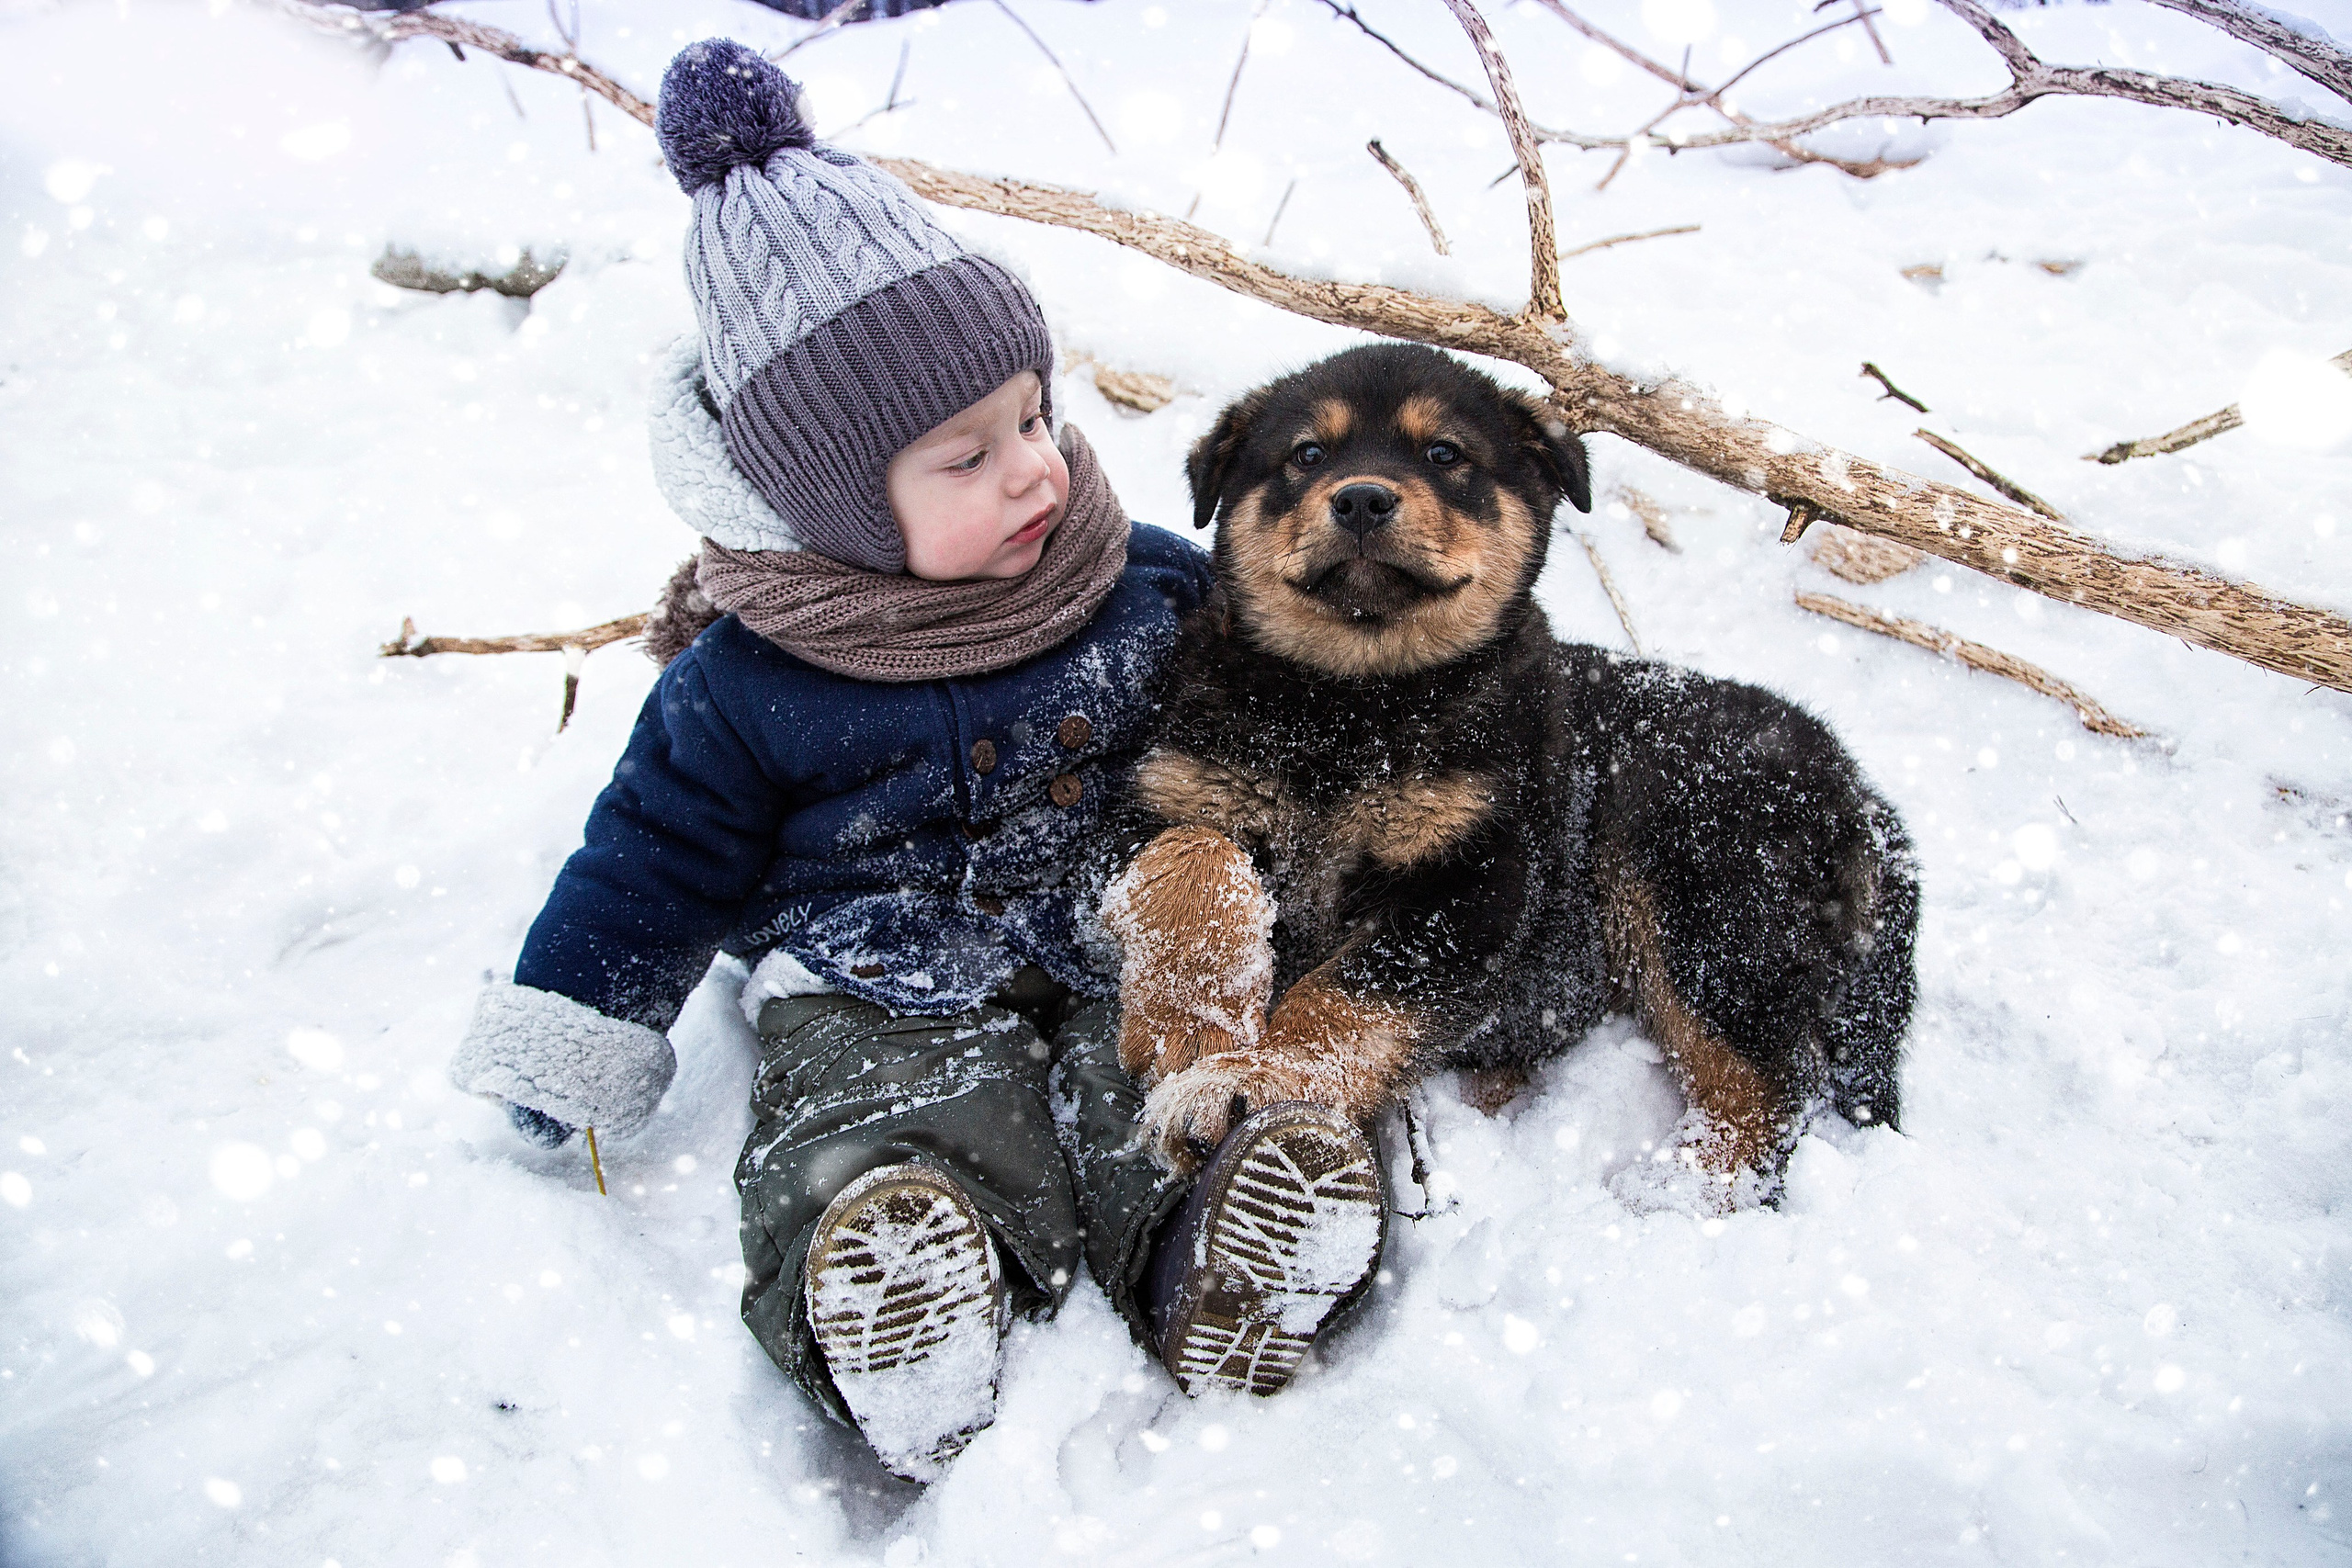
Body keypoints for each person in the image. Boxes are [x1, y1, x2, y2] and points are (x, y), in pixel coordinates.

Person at [447, 40, 1385, 1483]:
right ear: (833, 507)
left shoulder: (1137, 583)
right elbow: (650, 861)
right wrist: (576, 1025)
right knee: (880, 1113)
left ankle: (1224, 1248)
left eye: (1032, 416)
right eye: (966, 457)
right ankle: (902, 1294)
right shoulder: (747, 685)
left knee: (1161, 1079)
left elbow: (1288, 692)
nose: (1033, 468)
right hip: (871, 968)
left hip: (1116, 938)